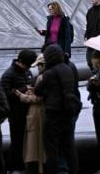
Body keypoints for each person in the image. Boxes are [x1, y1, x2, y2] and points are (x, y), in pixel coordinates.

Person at [35, 43, 80, 174]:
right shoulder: (69, 68)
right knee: (69, 146)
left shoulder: (49, 73)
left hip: (53, 114)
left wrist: (40, 78)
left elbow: (38, 91)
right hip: (68, 112)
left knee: (51, 148)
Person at [2, 49, 37, 173]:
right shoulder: (9, 74)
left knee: (25, 141)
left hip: (28, 112)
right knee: (17, 141)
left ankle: (23, 165)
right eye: (26, 64)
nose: (27, 67)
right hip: (16, 113)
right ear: (20, 61)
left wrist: (30, 90)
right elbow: (4, 92)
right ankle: (14, 167)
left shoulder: (27, 71)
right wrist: (23, 90)